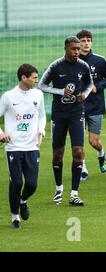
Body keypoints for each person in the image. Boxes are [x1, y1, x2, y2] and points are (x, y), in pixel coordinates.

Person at [38, 36, 93, 206]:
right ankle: (59, 189)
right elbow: (41, 85)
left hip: (77, 113)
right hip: (59, 115)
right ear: (66, 49)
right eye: (73, 49)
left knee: (78, 152)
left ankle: (74, 194)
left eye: (78, 49)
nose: (77, 51)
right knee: (58, 155)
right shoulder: (55, 66)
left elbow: (90, 84)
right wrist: (61, 92)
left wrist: (85, 94)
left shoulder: (83, 66)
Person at [0, 64, 46, 229]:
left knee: (32, 184)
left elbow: (41, 116)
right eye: (34, 77)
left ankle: (23, 200)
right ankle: (15, 217)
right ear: (23, 78)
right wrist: (1, 134)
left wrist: (41, 132)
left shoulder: (38, 95)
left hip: (32, 147)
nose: (36, 80)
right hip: (13, 147)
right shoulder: (8, 97)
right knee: (17, 183)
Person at [77, 29, 106, 180]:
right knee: (78, 141)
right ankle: (83, 168)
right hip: (77, 107)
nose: (86, 43)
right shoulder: (72, 61)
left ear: (91, 42)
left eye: (88, 40)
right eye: (83, 41)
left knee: (93, 141)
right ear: (77, 43)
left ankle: (101, 153)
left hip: (95, 106)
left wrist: (97, 87)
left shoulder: (99, 60)